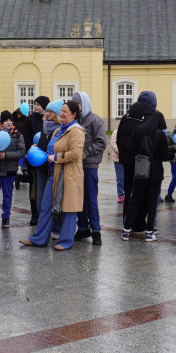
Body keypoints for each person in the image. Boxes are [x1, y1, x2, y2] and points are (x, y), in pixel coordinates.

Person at [21, 100, 86, 250]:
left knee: (69, 208)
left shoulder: (76, 131)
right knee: (46, 206)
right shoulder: (60, 129)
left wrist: (56, 157)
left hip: (69, 175)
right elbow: (53, 148)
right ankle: (39, 238)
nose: (61, 114)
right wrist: (42, 151)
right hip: (54, 173)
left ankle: (66, 241)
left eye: (65, 112)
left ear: (74, 114)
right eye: (61, 111)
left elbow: (76, 154)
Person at [116, 92, 167, 242]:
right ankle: (140, 225)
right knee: (145, 195)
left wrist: (125, 157)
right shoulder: (150, 117)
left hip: (127, 161)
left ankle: (127, 224)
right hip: (144, 162)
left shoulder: (126, 116)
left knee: (130, 194)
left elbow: (119, 138)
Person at [72, 91, 107, 245]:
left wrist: (86, 153)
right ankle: (83, 228)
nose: (77, 107)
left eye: (78, 104)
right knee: (79, 198)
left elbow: (101, 142)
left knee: (91, 199)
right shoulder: (76, 122)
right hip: (76, 165)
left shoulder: (95, 120)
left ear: (84, 104)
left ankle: (96, 231)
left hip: (89, 166)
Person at [0, 110, 25, 230]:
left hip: (10, 170)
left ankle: (6, 218)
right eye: (6, 120)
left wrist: (7, 155)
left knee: (7, 196)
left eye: (11, 120)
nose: (9, 122)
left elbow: (22, 152)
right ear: (1, 122)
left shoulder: (18, 135)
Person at [20, 96, 49, 224]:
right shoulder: (29, 120)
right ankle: (34, 214)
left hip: (47, 158)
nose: (35, 106)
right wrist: (29, 148)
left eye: (37, 104)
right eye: (34, 104)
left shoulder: (48, 119)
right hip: (33, 158)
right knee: (34, 187)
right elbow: (25, 137)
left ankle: (46, 213)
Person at [110, 132, 124, 204]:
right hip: (118, 159)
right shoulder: (116, 132)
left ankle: (129, 193)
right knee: (120, 177)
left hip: (129, 158)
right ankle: (120, 195)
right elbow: (113, 144)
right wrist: (122, 151)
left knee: (130, 177)